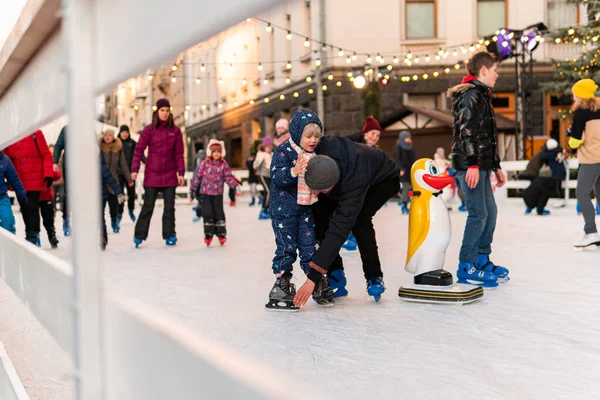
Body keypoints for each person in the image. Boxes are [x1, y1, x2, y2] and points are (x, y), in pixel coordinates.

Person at [293, 139, 401, 306]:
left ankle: (374, 277)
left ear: (333, 185)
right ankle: (336, 275)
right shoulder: (319, 151)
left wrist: (313, 278)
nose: (315, 192)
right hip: (351, 168)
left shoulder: (353, 186)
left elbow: (339, 229)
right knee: (318, 212)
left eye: (320, 189)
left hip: (383, 179)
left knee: (359, 220)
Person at [446, 51, 508, 287]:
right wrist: (472, 164)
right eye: (494, 70)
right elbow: (467, 132)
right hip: (469, 164)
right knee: (478, 213)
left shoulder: (482, 96)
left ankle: (482, 259)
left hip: (481, 165)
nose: (497, 75)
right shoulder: (471, 95)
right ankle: (466, 264)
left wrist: (496, 166)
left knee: (490, 212)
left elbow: (487, 137)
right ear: (483, 71)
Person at [265, 109, 334, 311]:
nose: (313, 140)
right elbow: (276, 177)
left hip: (305, 210)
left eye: (316, 136)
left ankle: (316, 282)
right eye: (308, 136)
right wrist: (293, 171)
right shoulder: (284, 151)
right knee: (286, 248)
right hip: (283, 211)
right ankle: (281, 285)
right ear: (297, 134)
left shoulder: (315, 156)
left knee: (309, 247)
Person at [131, 98, 185, 248]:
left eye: (167, 110)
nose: (165, 113)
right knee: (148, 206)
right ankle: (139, 235)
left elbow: (179, 154)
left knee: (169, 207)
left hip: (169, 173)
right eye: (162, 110)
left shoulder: (175, 131)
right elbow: (138, 150)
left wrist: (181, 172)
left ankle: (169, 234)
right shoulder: (149, 129)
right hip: (152, 173)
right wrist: (134, 169)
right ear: (157, 111)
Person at [4, 130, 54, 246]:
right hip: (19, 179)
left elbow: (46, 155)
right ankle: (29, 232)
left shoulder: (35, 133)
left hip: (35, 176)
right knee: (25, 207)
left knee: (32, 205)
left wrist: (48, 173)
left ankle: (33, 234)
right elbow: (5, 156)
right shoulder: (11, 134)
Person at [567, 78, 600, 248]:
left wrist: (571, 135)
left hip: (591, 159)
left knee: (582, 193)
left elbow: (574, 142)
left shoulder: (580, 113)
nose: (574, 98)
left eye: (575, 95)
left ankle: (591, 232)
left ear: (581, 96)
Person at [189, 139, 238, 246]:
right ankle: (208, 234)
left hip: (217, 194)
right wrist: (193, 189)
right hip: (205, 193)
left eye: (218, 151)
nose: (216, 153)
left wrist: (233, 186)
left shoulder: (223, 164)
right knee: (207, 213)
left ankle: (221, 234)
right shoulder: (204, 163)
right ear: (210, 152)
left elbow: (228, 177)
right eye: (214, 151)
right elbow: (197, 177)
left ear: (221, 152)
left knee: (219, 213)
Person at [100, 129, 133, 233]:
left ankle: (114, 222)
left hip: (113, 181)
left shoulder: (117, 149)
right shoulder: (99, 148)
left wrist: (129, 179)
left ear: (113, 137)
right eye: (105, 135)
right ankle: (101, 225)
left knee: (114, 205)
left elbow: (123, 165)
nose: (107, 137)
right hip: (101, 181)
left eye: (110, 135)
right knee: (101, 205)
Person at [523, 139, 566, 216]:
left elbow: (544, 157)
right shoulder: (554, 153)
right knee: (543, 192)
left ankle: (532, 207)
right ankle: (537, 208)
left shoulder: (545, 154)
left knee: (538, 190)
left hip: (543, 176)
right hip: (544, 176)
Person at [117, 125, 142, 222]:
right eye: (123, 132)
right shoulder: (116, 143)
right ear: (120, 133)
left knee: (131, 194)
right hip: (119, 173)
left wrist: (147, 162)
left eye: (126, 132)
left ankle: (131, 210)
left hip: (131, 173)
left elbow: (139, 154)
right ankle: (119, 212)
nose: (124, 134)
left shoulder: (132, 143)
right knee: (120, 194)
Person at [100, 155, 124, 250]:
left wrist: (118, 192)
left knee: (99, 216)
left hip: (101, 195)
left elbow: (110, 178)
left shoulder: (100, 165)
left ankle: (103, 237)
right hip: (86, 195)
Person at [0, 153, 27, 235]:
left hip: (1, 197)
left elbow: (14, 180)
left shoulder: (4, 160)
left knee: (7, 221)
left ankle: (9, 243)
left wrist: (22, 195)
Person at [38, 163, 61, 248]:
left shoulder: (46, 165)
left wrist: (53, 169)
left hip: (46, 197)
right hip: (33, 195)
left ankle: (52, 235)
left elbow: (57, 176)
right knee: (34, 219)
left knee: (48, 219)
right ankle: (35, 236)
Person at [53, 125, 70, 236]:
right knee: (68, 195)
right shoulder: (66, 129)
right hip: (69, 164)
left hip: (85, 164)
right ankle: (66, 221)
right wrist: (55, 161)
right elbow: (58, 145)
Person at [395, 131, 416, 214]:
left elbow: (412, 158)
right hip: (403, 171)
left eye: (409, 138)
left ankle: (407, 203)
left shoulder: (409, 147)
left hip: (410, 170)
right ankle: (404, 205)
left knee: (411, 189)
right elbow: (397, 159)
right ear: (403, 138)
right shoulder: (399, 147)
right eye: (407, 138)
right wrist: (400, 169)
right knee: (406, 188)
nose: (409, 139)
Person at [254, 137, 273, 220]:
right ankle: (263, 210)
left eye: (270, 146)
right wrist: (258, 162)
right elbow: (255, 165)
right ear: (264, 146)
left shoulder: (271, 154)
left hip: (269, 175)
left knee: (269, 191)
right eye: (267, 147)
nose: (269, 148)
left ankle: (268, 209)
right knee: (268, 191)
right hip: (262, 174)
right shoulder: (261, 154)